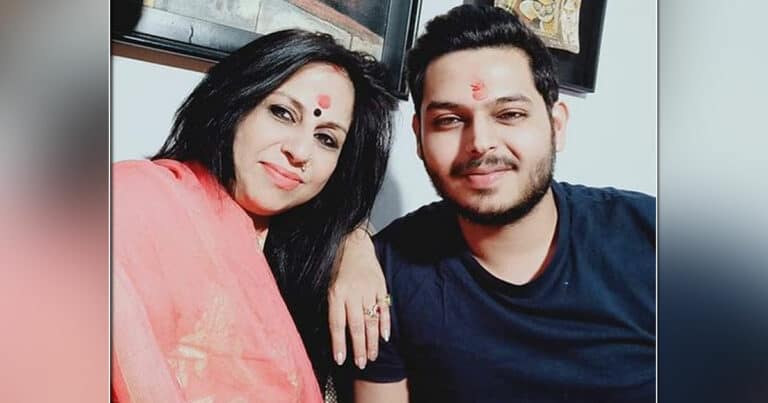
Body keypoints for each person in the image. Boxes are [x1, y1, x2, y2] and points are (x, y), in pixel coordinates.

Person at [350, 5, 655, 403]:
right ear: (419, 137)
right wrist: (348, 241)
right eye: (449, 120)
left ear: (556, 125)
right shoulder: (384, 274)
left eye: (510, 114)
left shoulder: (651, 237)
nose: (480, 143)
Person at [112, 29, 397, 402]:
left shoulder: (316, 264)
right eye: (282, 113)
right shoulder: (134, 200)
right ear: (237, 104)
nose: (299, 151)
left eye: (326, 139)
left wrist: (355, 242)